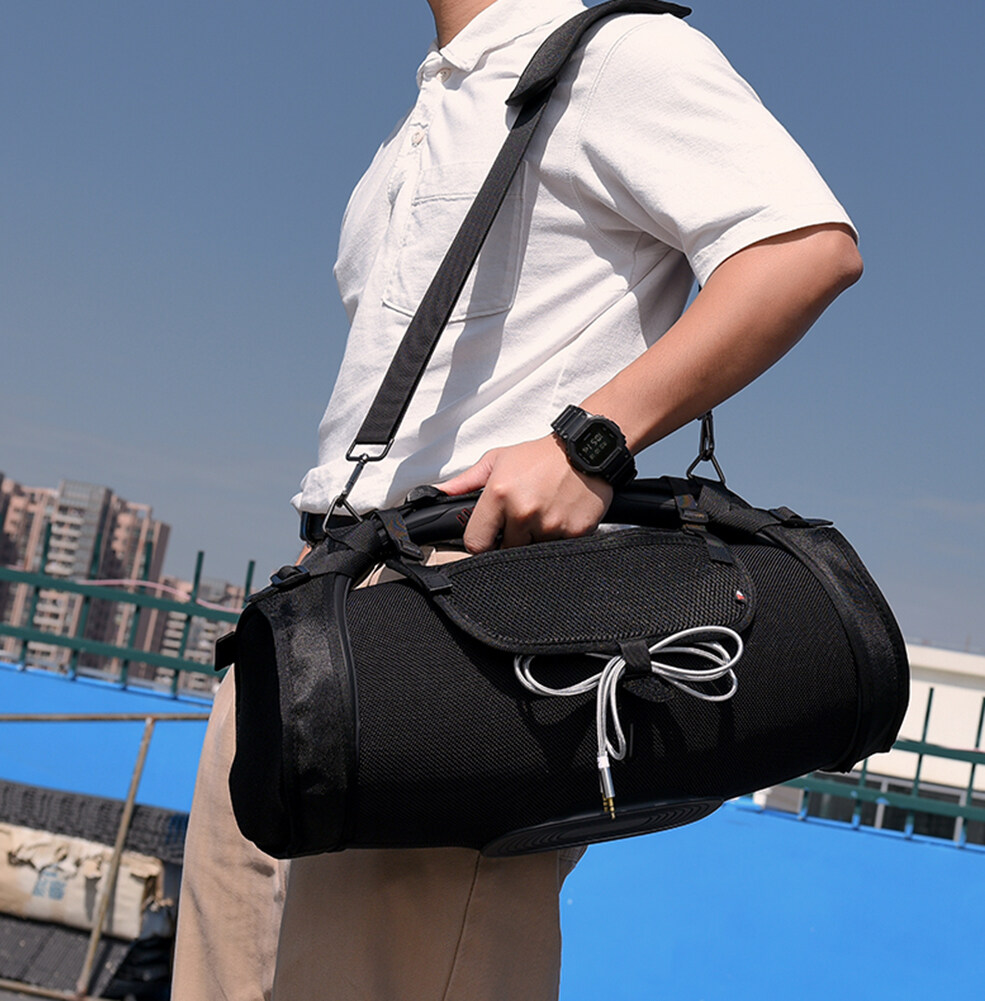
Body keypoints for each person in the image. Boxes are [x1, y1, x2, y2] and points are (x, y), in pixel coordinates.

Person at [172, 1, 862, 998]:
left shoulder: (619, 54)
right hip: (314, 609)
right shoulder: (424, 112)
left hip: (464, 619)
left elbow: (802, 248)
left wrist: (589, 443)